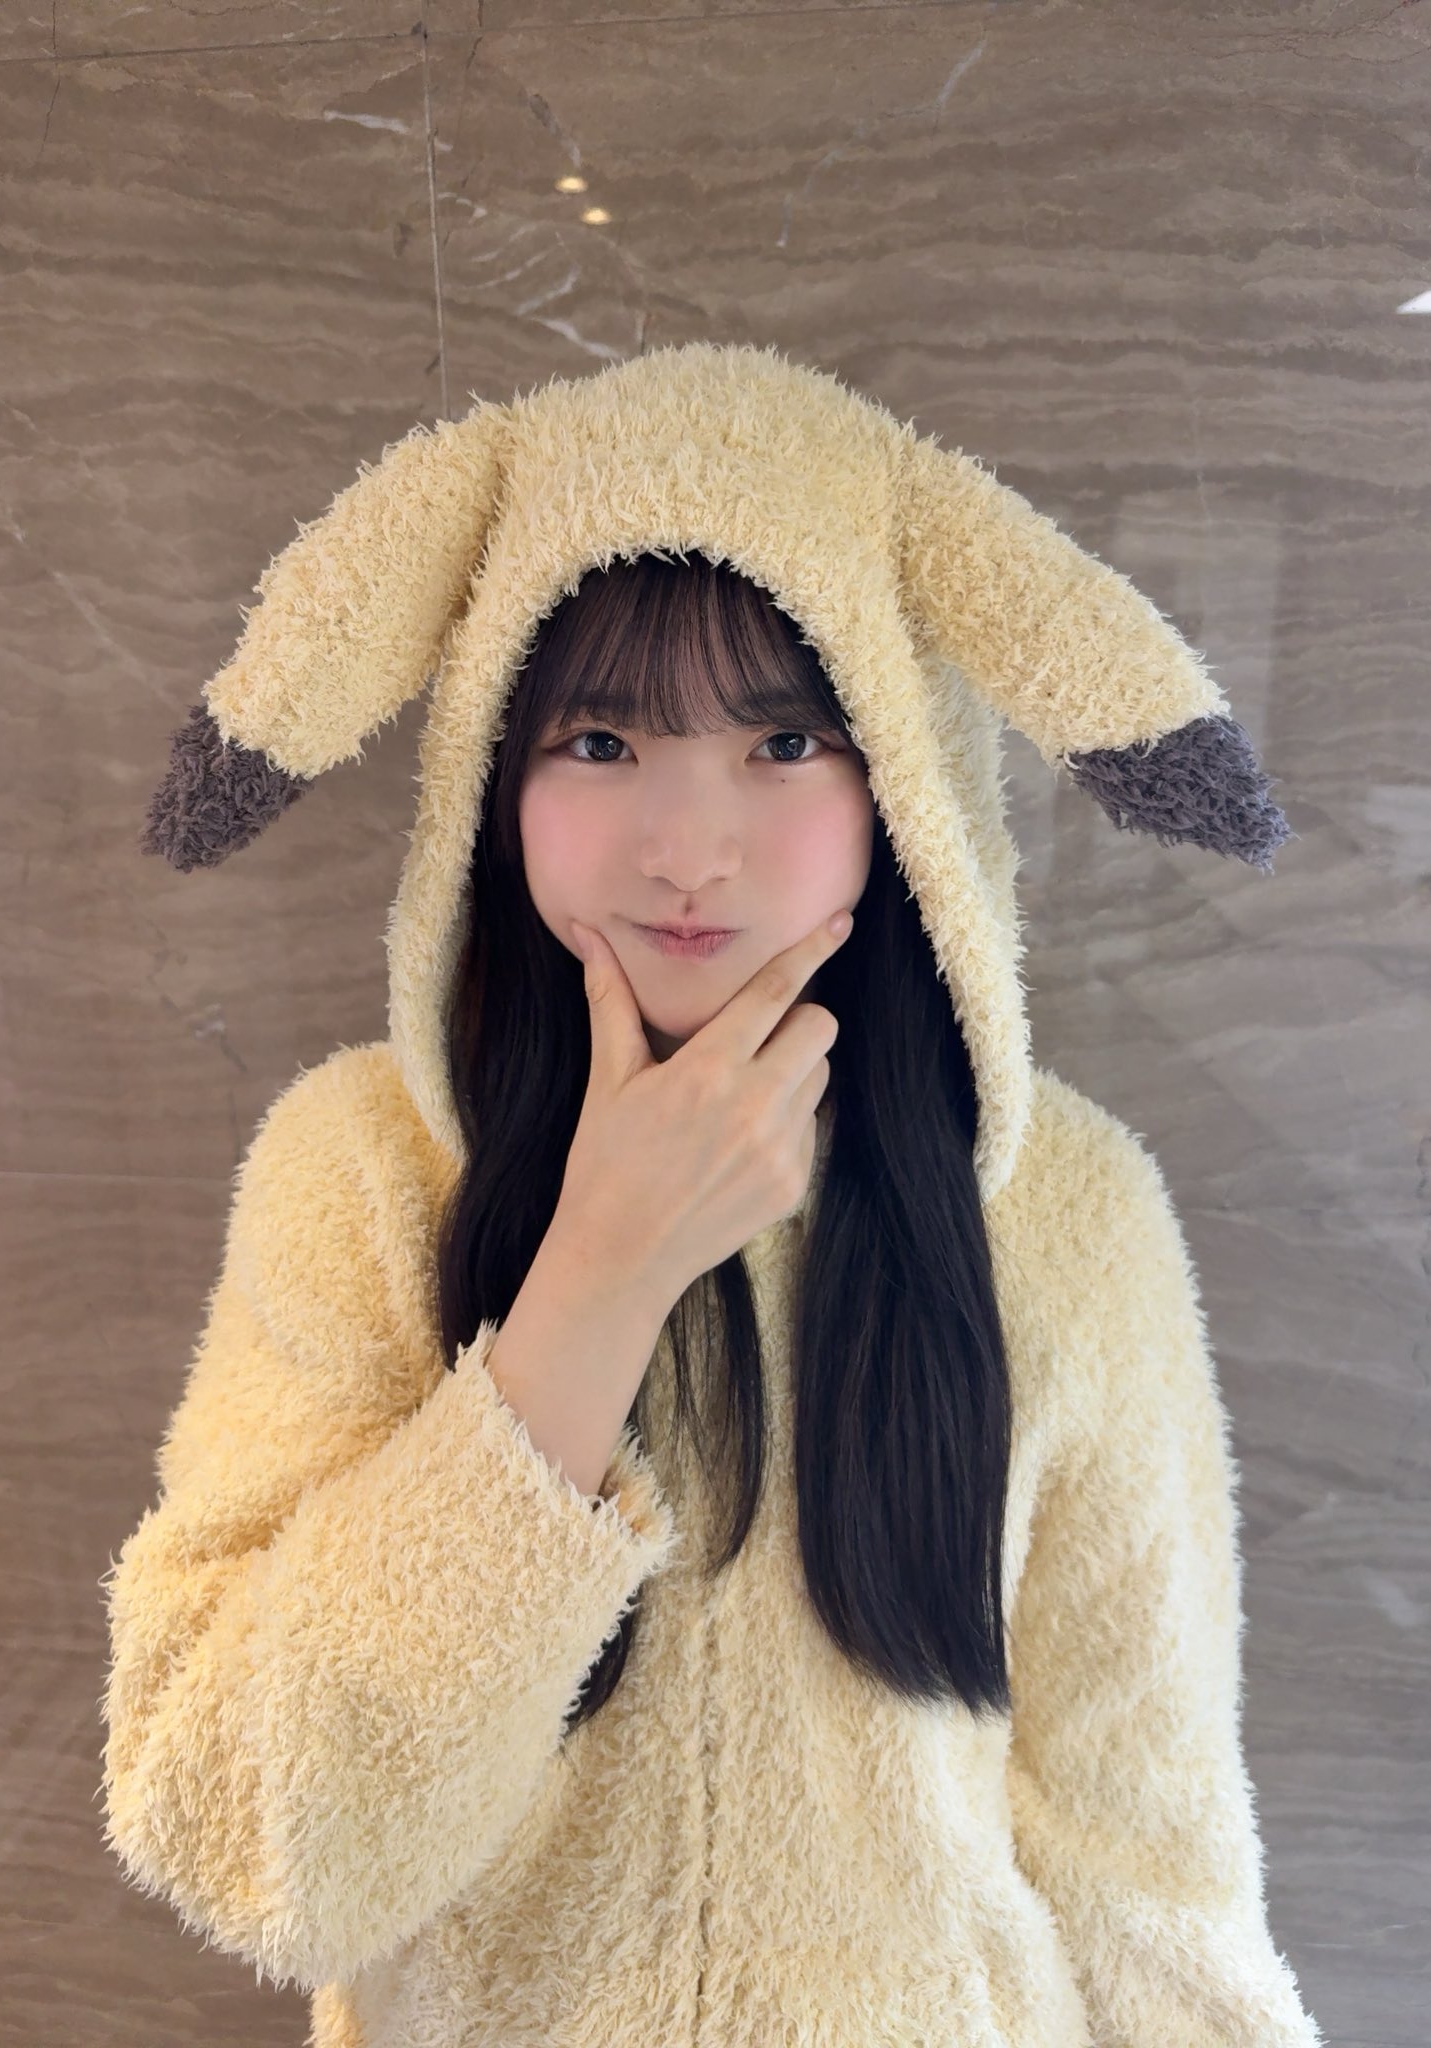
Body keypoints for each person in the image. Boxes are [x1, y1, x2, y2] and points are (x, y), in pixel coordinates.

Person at [100, 341, 1327, 2047]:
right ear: (493, 773)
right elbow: (247, 1843)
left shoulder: (1067, 1210)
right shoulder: (363, 1171)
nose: (686, 846)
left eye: (784, 740)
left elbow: (1148, 1857)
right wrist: (593, 1286)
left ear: (901, 775)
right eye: (601, 738)